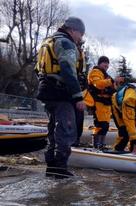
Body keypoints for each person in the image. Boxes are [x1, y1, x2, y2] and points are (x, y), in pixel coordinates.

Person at [35, 17, 86, 178]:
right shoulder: (66, 43)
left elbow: (38, 69)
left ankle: (51, 168)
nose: (80, 38)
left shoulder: (47, 42)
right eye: (80, 34)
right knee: (66, 130)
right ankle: (60, 170)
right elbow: (67, 69)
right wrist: (78, 96)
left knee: (53, 129)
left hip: (47, 91)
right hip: (61, 93)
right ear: (72, 30)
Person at [85, 56, 115, 149]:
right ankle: (97, 144)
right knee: (100, 124)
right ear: (99, 63)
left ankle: (101, 144)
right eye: (104, 62)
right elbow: (98, 84)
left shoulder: (106, 75)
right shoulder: (95, 72)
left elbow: (112, 88)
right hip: (98, 102)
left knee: (105, 125)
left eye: (107, 63)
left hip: (106, 103)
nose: (106, 65)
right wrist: (111, 81)